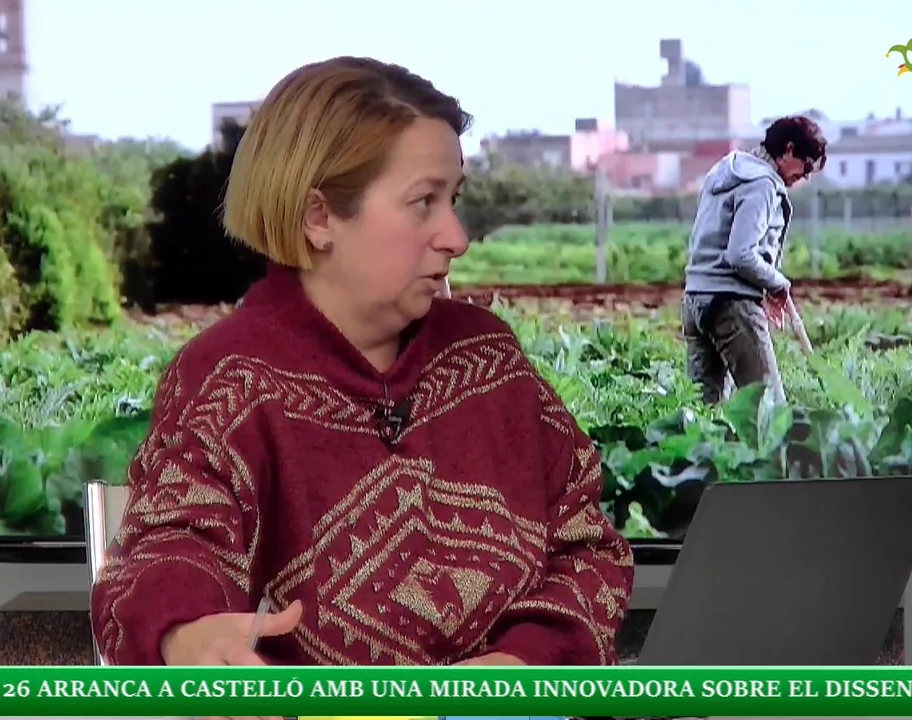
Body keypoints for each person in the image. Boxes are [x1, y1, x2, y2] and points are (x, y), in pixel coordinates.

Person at [90, 57, 633, 669]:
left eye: (453, 199)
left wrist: (521, 664)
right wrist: (185, 633)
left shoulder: (491, 360)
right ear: (319, 218)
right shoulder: (225, 380)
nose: (456, 237)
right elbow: (167, 548)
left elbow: (589, 551)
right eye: (424, 202)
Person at [680, 116, 828, 405]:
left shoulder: (724, 169)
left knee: (703, 411)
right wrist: (777, 282)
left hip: (695, 300)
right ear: (788, 149)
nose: (806, 176)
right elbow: (741, 255)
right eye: (807, 165)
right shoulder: (762, 184)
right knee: (768, 409)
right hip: (731, 305)